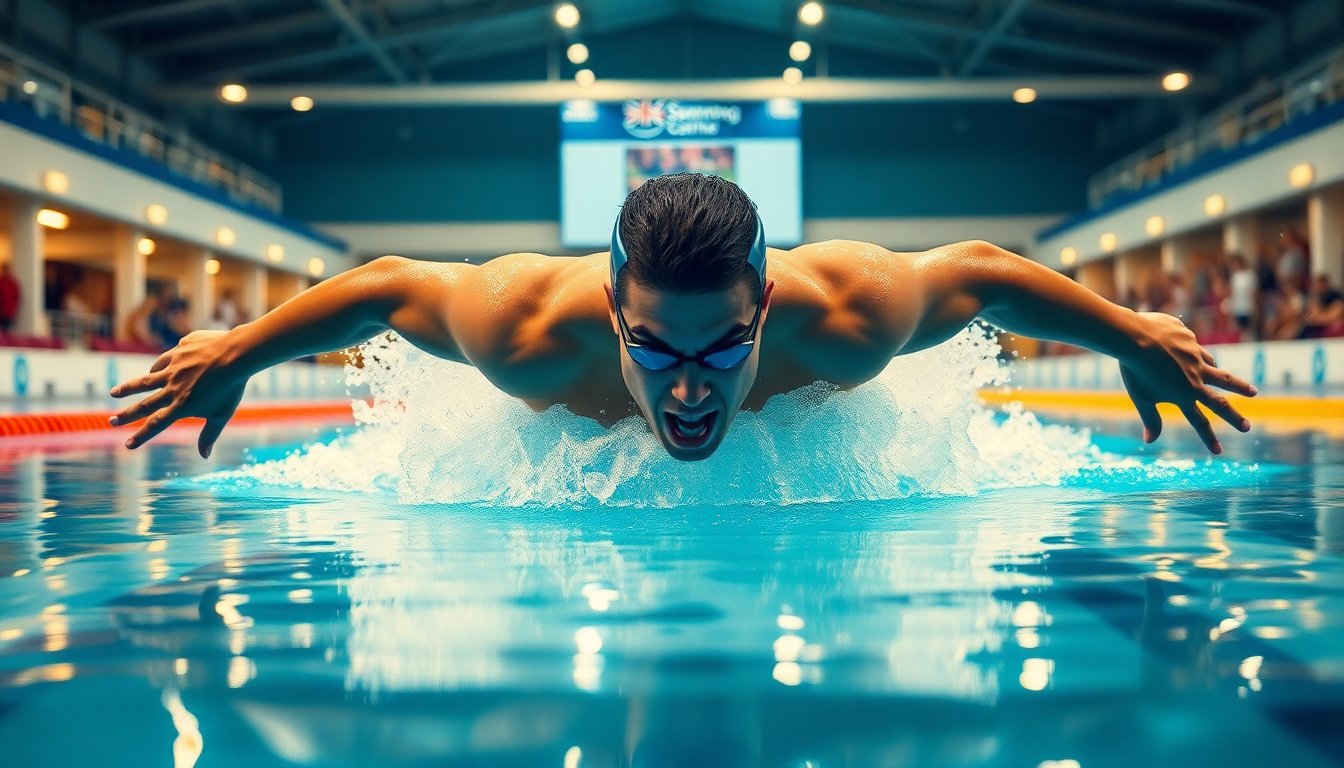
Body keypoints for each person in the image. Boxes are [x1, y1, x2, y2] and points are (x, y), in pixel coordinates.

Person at [110, 174, 1256, 460]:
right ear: (612, 312)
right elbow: (387, 283)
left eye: (723, 347)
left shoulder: (848, 315)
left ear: (770, 306)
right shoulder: (523, 329)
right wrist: (243, 350)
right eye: (654, 349)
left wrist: (1133, 332)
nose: (692, 387)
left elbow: (983, 269)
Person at [0, 261, 19, 333]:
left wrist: (13, 310)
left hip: (8, 312)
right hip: (1, 310)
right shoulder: (1, 281)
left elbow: (16, 298)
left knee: (6, 330)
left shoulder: (13, 283)